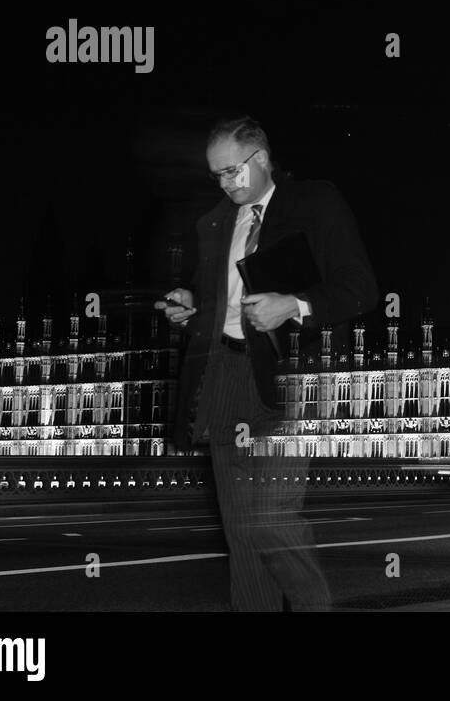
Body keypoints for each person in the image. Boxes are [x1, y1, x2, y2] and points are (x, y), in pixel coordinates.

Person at [158, 115, 379, 611]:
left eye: (232, 171)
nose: (224, 183)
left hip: (287, 380)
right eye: (216, 174)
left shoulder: (315, 202)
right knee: (241, 529)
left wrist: (294, 304)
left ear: (260, 159)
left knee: (272, 518)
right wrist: (189, 302)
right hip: (224, 374)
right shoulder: (215, 224)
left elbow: (361, 288)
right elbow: (217, 299)